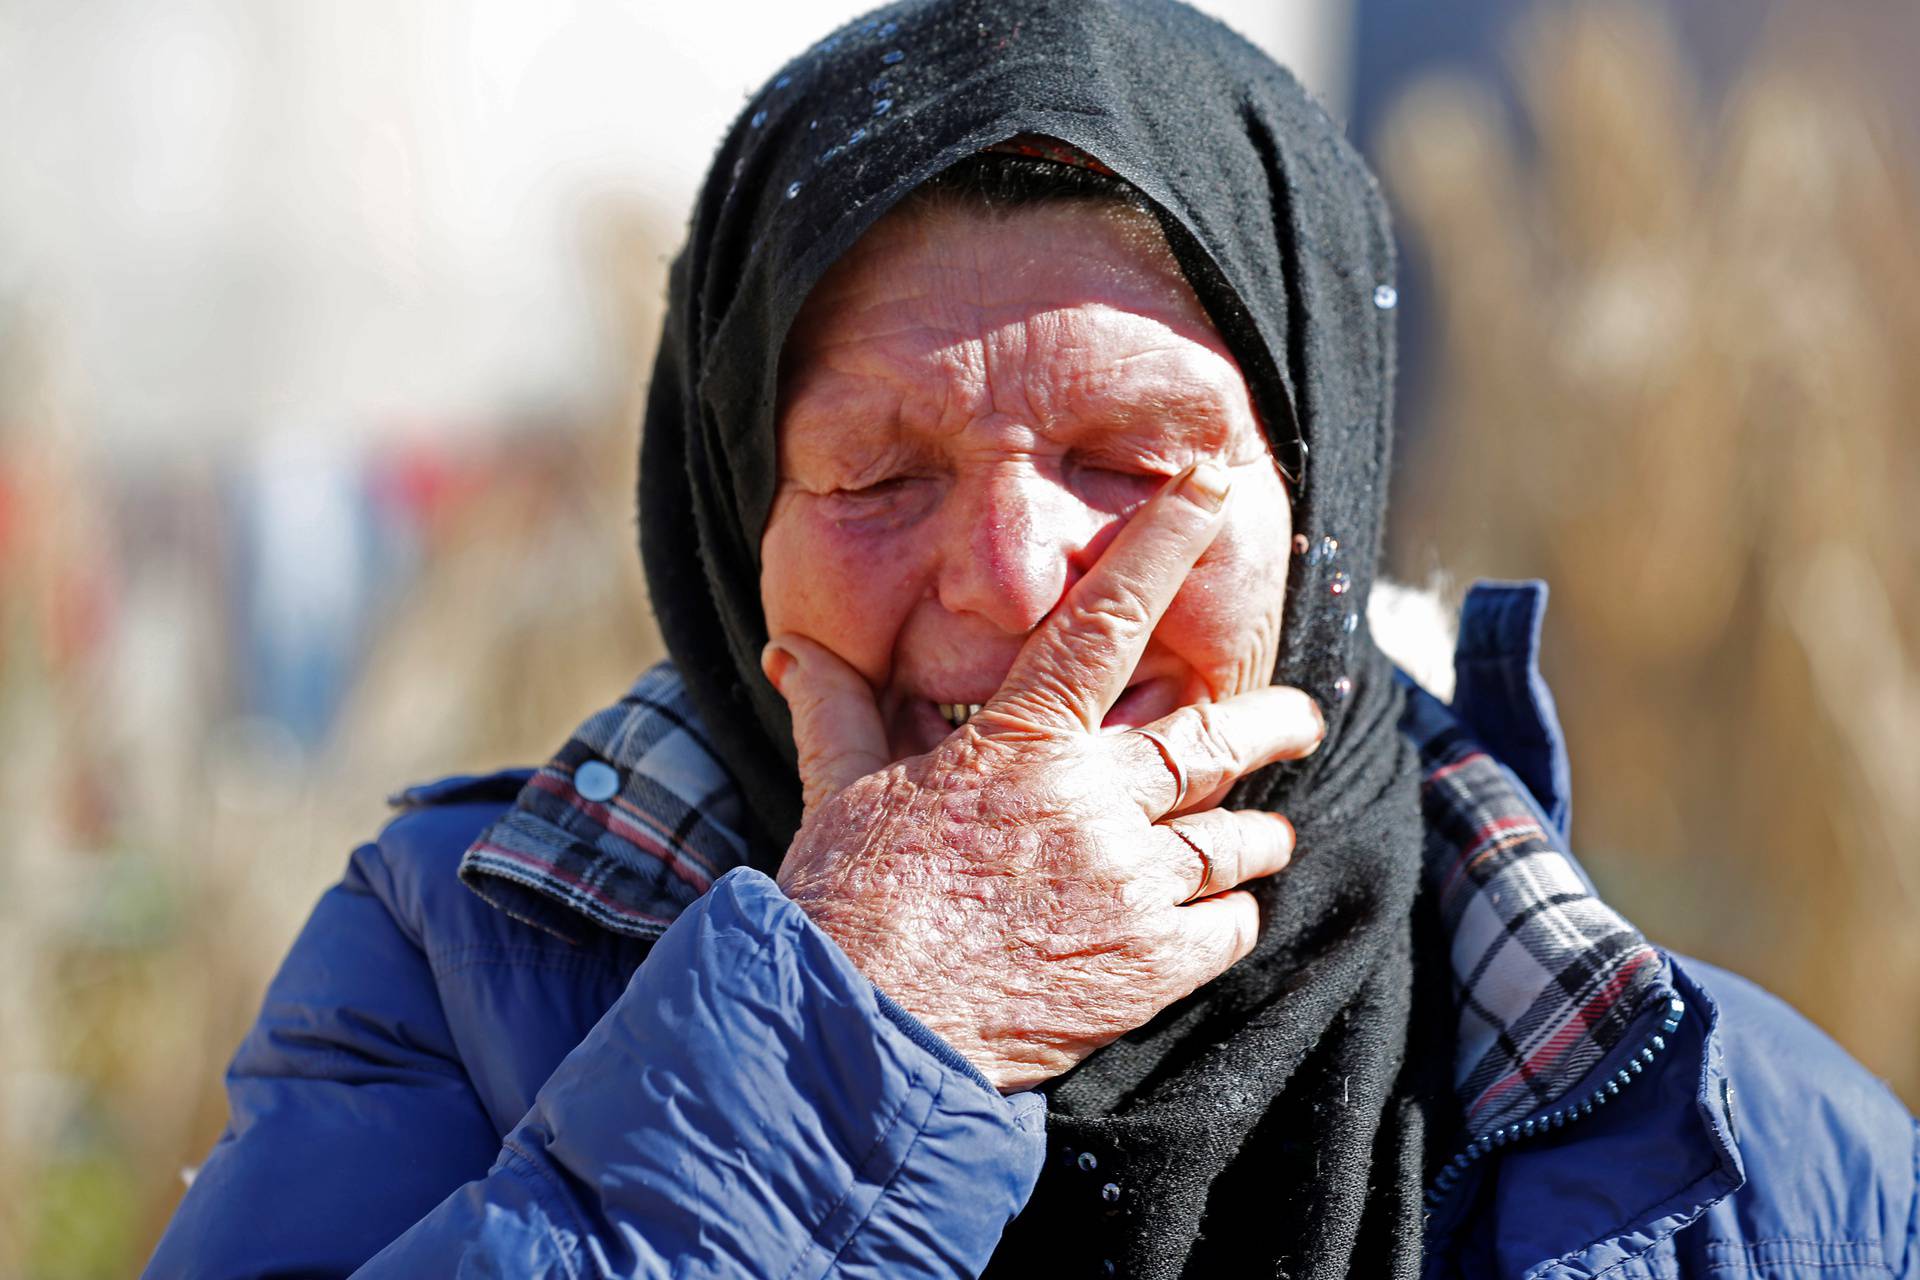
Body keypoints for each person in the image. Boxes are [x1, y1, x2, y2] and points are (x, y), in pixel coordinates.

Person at [145, 1, 1917, 1277]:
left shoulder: (1750, 1158)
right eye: (876, 470)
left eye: (1130, 462)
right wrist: (864, 1027)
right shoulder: (462, 973)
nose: (1007, 575)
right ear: (727, 527)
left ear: (1320, 516)